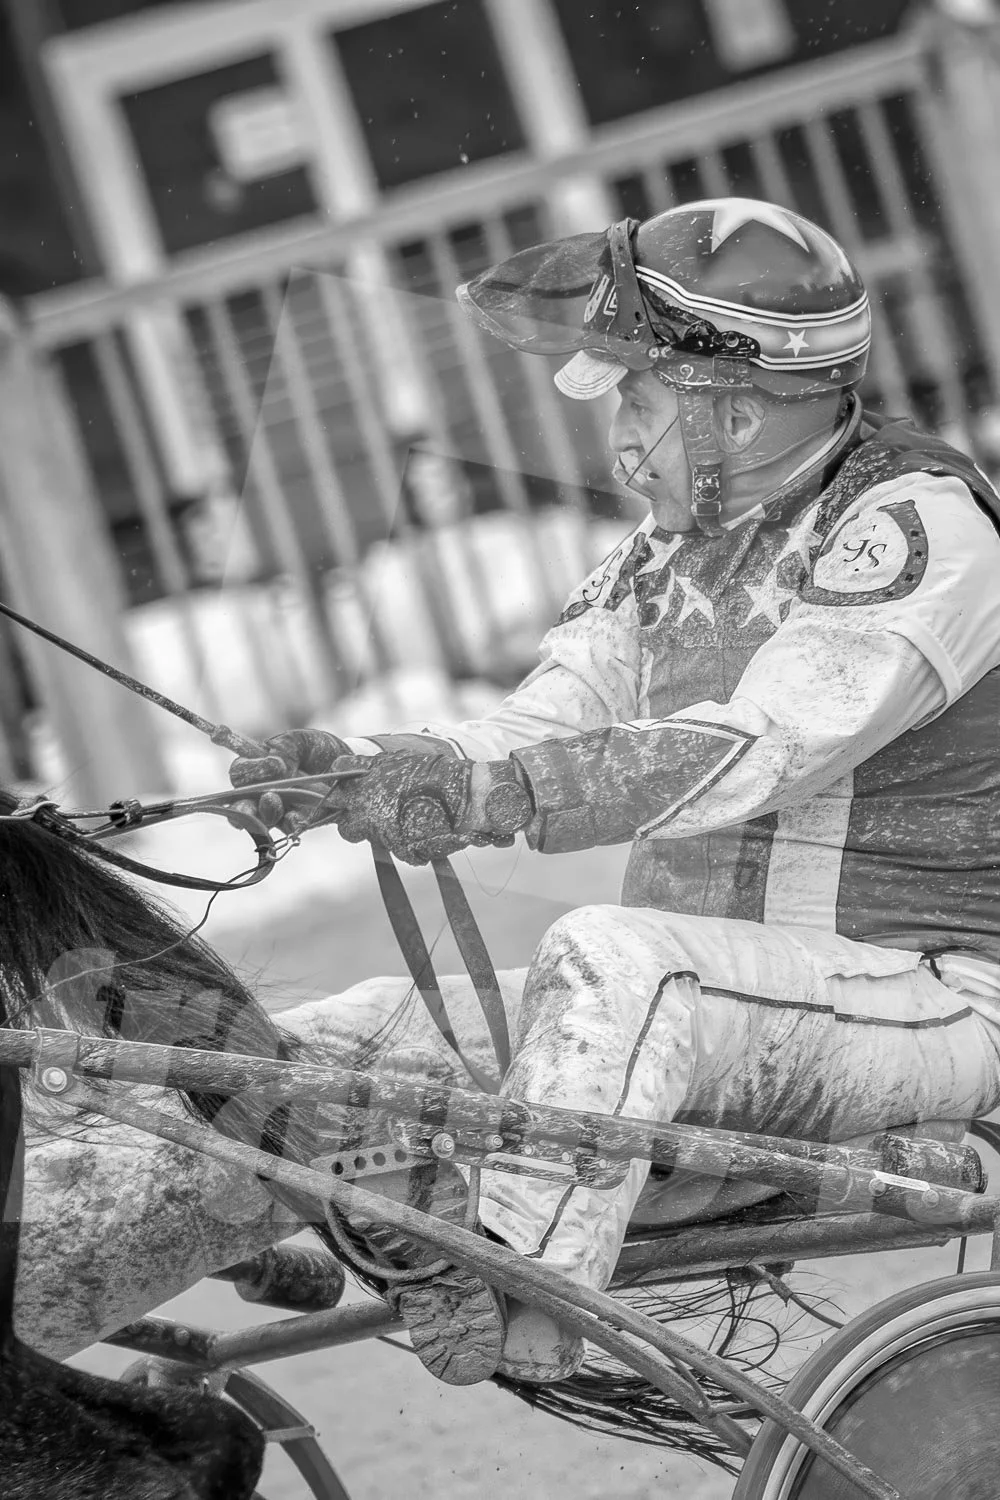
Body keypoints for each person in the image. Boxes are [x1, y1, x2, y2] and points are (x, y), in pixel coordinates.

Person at [231, 197, 1000, 1388]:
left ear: (732, 405)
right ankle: (274, 1236)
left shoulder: (913, 527)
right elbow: (541, 717)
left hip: (932, 1004)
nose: (618, 429)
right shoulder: (664, 549)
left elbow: (757, 744)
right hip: (708, 1014)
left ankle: (517, 1294)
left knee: (614, 957)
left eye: (639, 395)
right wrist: (367, 767)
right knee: (316, 1041)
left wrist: (493, 791)